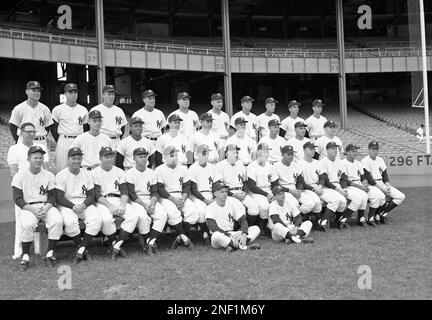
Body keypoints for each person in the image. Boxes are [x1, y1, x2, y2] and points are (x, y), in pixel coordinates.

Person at [11, 146, 63, 270]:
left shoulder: (49, 175)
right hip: (29, 207)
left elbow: (52, 197)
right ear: (28, 158)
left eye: (40, 157)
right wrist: (34, 210)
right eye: (35, 157)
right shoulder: (19, 176)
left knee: (57, 221)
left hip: (46, 206)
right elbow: (17, 199)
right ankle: (25, 256)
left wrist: (45, 209)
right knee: (27, 224)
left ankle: (50, 253)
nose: (38, 160)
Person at [8, 122, 50, 260]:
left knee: (39, 218)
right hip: (22, 188)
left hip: (39, 189)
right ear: (21, 132)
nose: (31, 134)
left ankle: (38, 248)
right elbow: (14, 171)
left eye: (33, 131)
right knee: (21, 221)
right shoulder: (14, 149)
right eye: (27, 131)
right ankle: (19, 250)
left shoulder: (41, 147)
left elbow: (46, 168)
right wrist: (22, 186)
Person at [55, 147, 102, 264]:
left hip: (83, 203)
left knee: (96, 219)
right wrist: (73, 206)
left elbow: (92, 195)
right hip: (67, 204)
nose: (76, 161)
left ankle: (81, 250)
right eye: (73, 158)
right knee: (70, 223)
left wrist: (83, 205)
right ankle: (84, 250)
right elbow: (59, 197)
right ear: (68, 159)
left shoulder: (87, 174)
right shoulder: (61, 175)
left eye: (79, 158)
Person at [92, 147, 139, 260]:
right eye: (106, 157)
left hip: (119, 199)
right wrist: (110, 206)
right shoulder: (95, 172)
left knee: (134, 216)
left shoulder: (119, 171)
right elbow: (97, 194)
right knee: (106, 220)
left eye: (111, 156)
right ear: (100, 158)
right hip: (103, 202)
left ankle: (116, 245)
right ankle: (115, 244)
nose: (109, 159)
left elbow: (124, 191)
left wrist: (122, 205)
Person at [154, 146, 199, 249]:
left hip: (181, 195)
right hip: (166, 197)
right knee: (174, 214)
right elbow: (160, 188)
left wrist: (183, 198)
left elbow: (187, 186)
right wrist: (173, 200)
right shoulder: (159, 169)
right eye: (171, 155)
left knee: (193, 214)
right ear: (164, 157)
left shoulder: (183, 168)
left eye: (176, 155)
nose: (175, 157)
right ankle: (185, 238)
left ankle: (179, 237)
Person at [126, 147, 168, 255]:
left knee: (162, 215)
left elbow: (155, 192)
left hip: (150, 199)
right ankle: (147, 242)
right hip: (136, 201)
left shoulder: (151, 172)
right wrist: (145, 205)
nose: (143, 159)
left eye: (145, 156)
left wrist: (152, 203)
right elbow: (131, 194)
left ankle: (150, 242)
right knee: (143, 217)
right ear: (134, 158)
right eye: (140, 157)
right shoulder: (129, 173)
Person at [297, 141, 345, 231]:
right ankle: (313, 221)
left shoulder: (317, 162)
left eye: (314, 149)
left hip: (318, 187)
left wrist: (320, 186)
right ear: (304, 150)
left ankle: (324, 221)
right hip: (307, 188)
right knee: (316, 202)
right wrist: (314, 189)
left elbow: (322, 177)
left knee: (339, 199)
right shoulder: (299, 164)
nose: (313, 151)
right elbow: (301, 182)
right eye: (310, 149)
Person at [205, 181, 261, 252]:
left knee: (256, 228)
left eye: (226, 192)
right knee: (216, 235)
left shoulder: (231, 204)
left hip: (232, 234)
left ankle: (232, 245)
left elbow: (242, 220)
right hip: (219, 236)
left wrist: (244, 233)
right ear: (215, 194)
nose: (225, 194)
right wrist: (228, 236)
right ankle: (243, 247)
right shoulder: (210, 207)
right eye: (222, 192)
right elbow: (213, 227)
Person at [361, 141, 405, 224]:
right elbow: (369, 179)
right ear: (369, 150)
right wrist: (383, 189)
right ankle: (373, 217)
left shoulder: (380, 159)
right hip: (372, 185)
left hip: (381, 183)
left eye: (377, 149)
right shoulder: (365, 161)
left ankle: (383, 214)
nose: (375, 151)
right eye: (373, 149)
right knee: (380, 196)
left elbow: (385, 175)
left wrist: (388, 185)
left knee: (401, 196)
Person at [271, 145, 322, 217]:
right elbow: (275, 185)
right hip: (284, 190)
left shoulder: (295, 165)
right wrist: (290, 191)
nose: (291, 156)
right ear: (282, 155)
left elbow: (300, 181)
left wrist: (299, 191)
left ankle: (299, 217)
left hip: (295, 189)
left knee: (311, 203)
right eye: (288, 154)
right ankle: (295, 219)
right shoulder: (276, 166)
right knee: (294, 204)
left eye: (292, 154)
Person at [342, 144, 386, 227]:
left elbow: (363, 177)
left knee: (379, 196)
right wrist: (361, 187)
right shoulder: (343, 163)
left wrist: (365, 185)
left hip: (359, 184)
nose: (355, 153)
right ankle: (344, 218)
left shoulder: (358, 163)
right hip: (350, 186)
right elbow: (345, 180)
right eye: (353, 151)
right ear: (347, 152)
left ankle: (368, 218)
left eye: (356, 151)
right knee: (361, 197)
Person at [216, 144, 260, 226]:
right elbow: (220, 186)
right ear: (226, 154)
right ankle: (237, 228)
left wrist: (245, 192)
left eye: (236, 152)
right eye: (233, 153)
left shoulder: (241, 164)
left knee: (254, 208)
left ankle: (248, 227)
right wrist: (232, 195)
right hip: (228, 193)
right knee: (239, 209)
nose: (236, 155)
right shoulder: (220, 166)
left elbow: (245, 182)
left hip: (240, 191)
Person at [51, 83, 88, 172]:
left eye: (75, 92)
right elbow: (53, 129)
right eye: (70, 92)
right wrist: (61, 139)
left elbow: (86, 128)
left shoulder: (83, 109)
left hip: (79, 140)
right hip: (64, 140)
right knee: (62, 169)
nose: (73, 94)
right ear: (65, 94)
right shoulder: (58, 109)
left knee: (80, 168)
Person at [188, 144, 221, 245]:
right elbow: (193, 189)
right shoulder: (192, 168)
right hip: (197, 195)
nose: (206, 155)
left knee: (218, 208)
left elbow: (216, 184)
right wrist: (205, 200)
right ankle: (204, 233)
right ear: (197, 154)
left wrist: (216, 197)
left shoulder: (212, 167)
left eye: (207, 153)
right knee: (202, 212)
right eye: (204, 153)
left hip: (210, 194)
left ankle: (216, 233)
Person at [9, 81, 53, 149]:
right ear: (27, 92)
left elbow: (47, 127)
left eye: (38, 91)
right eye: (34, 90)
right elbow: (13, 126)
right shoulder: (19, 108)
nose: (37, 93)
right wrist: (20, 139)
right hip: (24, 142)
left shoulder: (45, 109)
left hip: (41, 142)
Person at [132, 89, 167, 167]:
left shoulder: (159, 113)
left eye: (153, 98)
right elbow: (133, 131)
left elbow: (163, 128)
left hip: (158, 142)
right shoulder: (138, 114)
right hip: (145, 141)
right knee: (146, 166)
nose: (152, 100)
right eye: (149, 98)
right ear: (144, 100)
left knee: (160, 166)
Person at [246, 143, 275, 235]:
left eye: (267, 152)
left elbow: (274, 183)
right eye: (264, 151)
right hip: (256, 192)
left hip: (268, 190)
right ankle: (262, 227)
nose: (266, 154)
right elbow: (252, 186)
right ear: (258, 152)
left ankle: (272, 226)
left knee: (277, 202)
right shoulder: (252, 166)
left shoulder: (270, 166)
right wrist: (266, 195)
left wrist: (274, 193)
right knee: (264, 206)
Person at [320, 142, 350, 229]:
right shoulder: (323, 162)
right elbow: (324, 180)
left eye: (336, 149)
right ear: (327, 150)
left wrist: (344, 188)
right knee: (336, 200)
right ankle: (323, 221)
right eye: (332, 149)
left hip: (337, 186)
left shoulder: (339, 162)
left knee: (343, 202)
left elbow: (343, 178)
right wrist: (338, 189)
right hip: (327, 187)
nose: (335, 150)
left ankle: (336, 220)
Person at [89, 85, 126, 149]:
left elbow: (122, 127)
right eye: (109, 94)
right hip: (101, 141)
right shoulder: (95, 109)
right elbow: (89, 128)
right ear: (103, 95)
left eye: (113, 94)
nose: (111, 97)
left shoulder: (119, 110)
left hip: (116, 141)